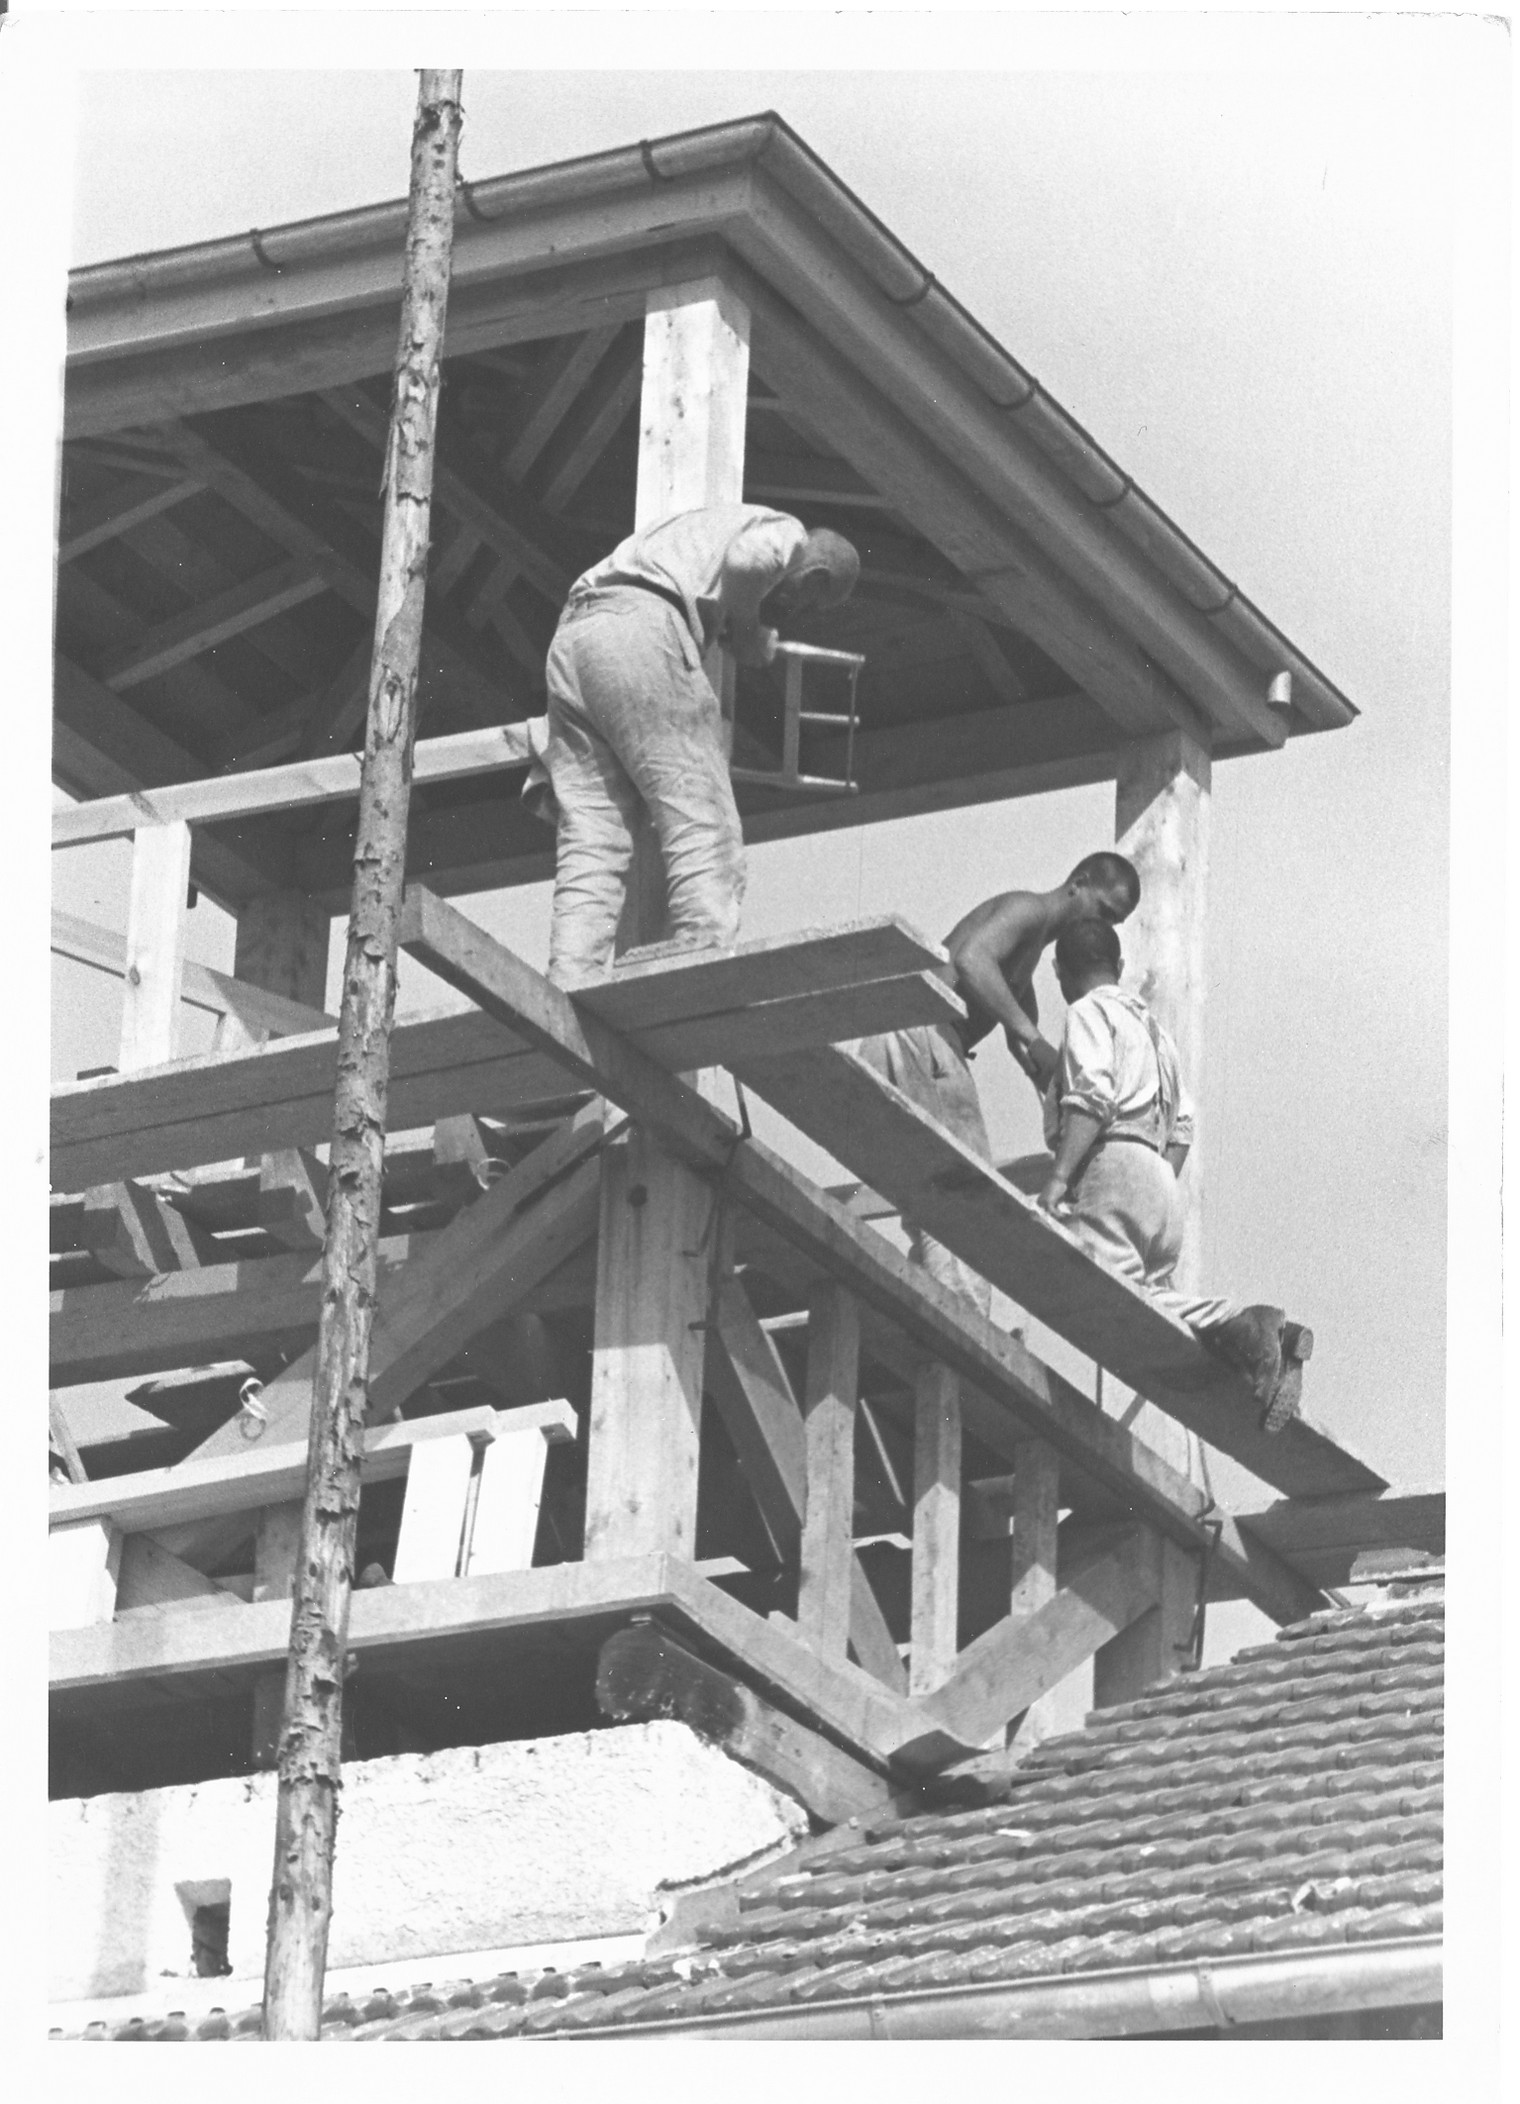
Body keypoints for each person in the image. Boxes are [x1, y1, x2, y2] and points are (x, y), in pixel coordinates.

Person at [537, 503, 860, 985]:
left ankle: (570, 974)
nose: (797, 610)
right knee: (700, 808)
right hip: (641, 630)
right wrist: (748, 634)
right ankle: (699, 953)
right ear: (815, 574)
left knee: (594, 831)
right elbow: (749, 561)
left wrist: (727, 619)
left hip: (576, 639)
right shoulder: (784, 532)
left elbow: (721, 571)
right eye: (811, 600)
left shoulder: (705, 529)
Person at [1036, 916, 1313, 1432]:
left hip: (1114, 1162)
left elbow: (1092, 1097)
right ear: (1118, 967)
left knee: (1082, 1285)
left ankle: (1248, 1330)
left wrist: (1058, 1180)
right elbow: (1182, 1125)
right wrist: (1153, 1182)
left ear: (1059, 970)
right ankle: (1250, 1334)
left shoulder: (1086, 1012)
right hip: (1161, 1180)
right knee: (1139, 1301)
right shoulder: (1157, 1031)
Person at [855, 852, 1141, 1313]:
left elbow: (1027, 1049)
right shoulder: (1026, 909)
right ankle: (958, 1319)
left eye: (1117, 923)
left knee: (929, 1191)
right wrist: (1032, 1036)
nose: (1106, 927)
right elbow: (970, 960)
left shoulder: (1025, 959)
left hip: (906, 1033)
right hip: (923, 1030)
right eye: (1105, 912)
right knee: (968, 1191)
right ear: (1079, 884)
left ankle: (928, 1304)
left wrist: (1062, 1119)